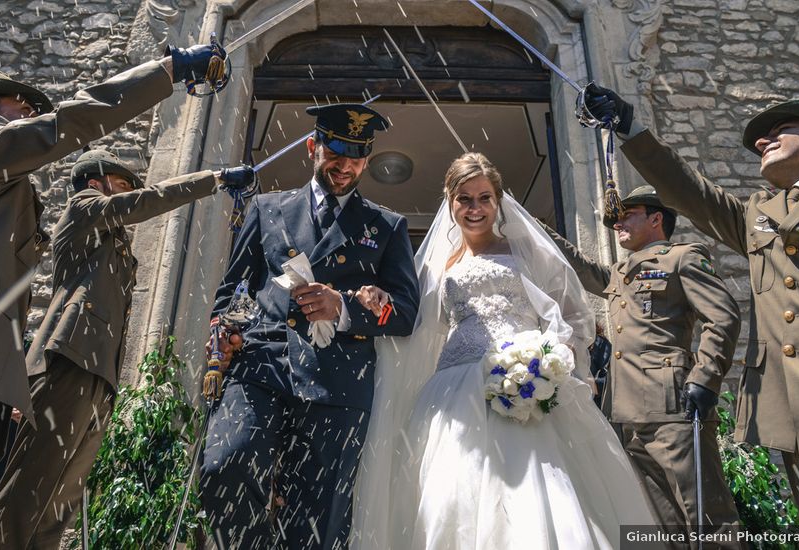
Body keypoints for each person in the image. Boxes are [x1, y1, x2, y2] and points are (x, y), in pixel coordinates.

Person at [0, 39, 226, 547]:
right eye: (22, 107)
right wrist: (168, 71)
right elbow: (67, 124)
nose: (33, 114)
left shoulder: (5, 191)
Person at [582, 71, 799, 533]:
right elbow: (690, 192)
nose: (763, 139)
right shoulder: (760, 214)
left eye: (779, 129)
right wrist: (629, 129)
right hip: (795, 411)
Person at [351, 152, 655, 549]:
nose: (474, 208)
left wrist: (550, 360)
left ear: (498, 202)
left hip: (528, 380)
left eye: (484, 198)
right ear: (449, 202)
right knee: (451, 493)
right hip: (453, 391)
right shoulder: (436, 267)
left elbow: (573, 315)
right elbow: (416, 323)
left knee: (537, 488)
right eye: (464, 198)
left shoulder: (527, 252)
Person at [0, 150, 255, 548]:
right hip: (66, 363)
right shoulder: (82, 206)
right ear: (96, 183)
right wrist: (215, 179)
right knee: (24, 497)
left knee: (57, 510)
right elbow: (142, 203)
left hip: (99, 378)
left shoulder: (112, 241)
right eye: (123, 186)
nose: (130, 194)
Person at [200, 103, 421, 549]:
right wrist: (224, 328)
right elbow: (233, 288)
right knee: (225, 465)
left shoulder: (387, 226)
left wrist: (344, 307)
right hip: (261, 366)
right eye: (335, 154)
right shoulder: (266, 208)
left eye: (356, 157)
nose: (345, 167)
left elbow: (404, 312)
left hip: (338, 383)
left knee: (319, 521)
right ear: (312, 147)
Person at [540, 186, 742, 540]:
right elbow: (580, 267)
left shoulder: (683, 257)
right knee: (662, 521)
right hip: (628, 412)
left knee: (705, 515)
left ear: (655, 218)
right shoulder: (621, 272)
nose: (617, 224)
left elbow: (723, 316)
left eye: (627, 215)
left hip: (673, 407)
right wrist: (538, 227)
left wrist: (707, 376)